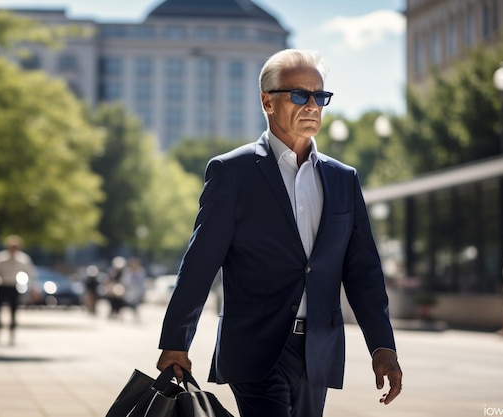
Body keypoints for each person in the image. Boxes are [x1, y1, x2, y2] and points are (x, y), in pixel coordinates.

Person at [156, 49, 402, 417]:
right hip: (254, 348)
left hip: (319, 349)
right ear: (266, 101)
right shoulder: (232, 172)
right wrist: (177, 341)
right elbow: (200, 263)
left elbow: (363, 270)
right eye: (300, 95)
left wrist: (382, 346)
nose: (312, 105)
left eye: (320, 96)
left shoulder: (343, 179)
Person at [0, 234, 37, 345]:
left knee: (13, 310)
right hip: (2, 286)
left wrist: (34, 289)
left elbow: (31, 274)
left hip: (13, 286)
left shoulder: (23, 259)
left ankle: (12, 330)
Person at [121, 257, 147, 322]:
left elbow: (142, 283)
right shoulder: (127, 272)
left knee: (135, 305)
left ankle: (136, 317)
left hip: (138, 292)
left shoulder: (141, 272)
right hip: (129, 291)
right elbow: (125, 282)